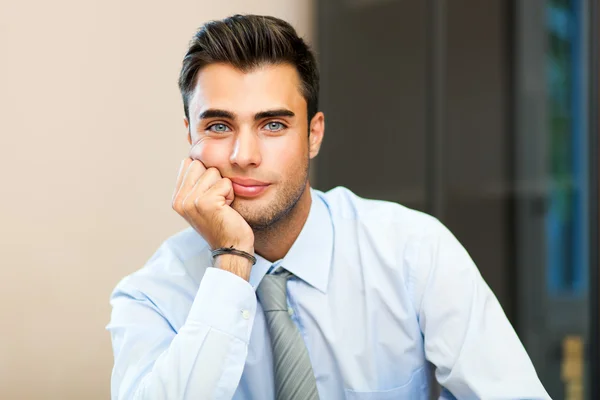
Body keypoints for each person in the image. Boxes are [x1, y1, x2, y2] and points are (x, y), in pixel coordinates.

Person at [107, 14, 550, 400]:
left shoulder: (415, 253)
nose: (244, 154)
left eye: (273, 124)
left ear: (313, 135)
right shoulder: (151, 296)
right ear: (190, 137)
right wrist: (231, 261)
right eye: (219, 125)